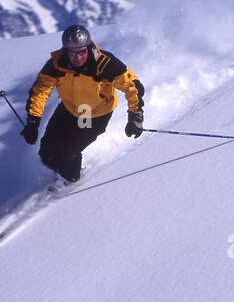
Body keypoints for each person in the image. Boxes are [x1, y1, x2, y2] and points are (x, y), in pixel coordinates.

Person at [20, 25, 145, 185]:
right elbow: (40, 91)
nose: (77, 57)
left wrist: (135, 115)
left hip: (91, 113)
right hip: (69, 108)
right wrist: (33, 121)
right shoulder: (57, 64)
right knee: (47, 151)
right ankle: (57, 174)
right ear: (66, 51)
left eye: (81, 52)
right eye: (72, 53)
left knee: (69, 150)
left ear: (88, 48)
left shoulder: (104, 63)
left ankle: (69, 181)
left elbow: (132, 86)